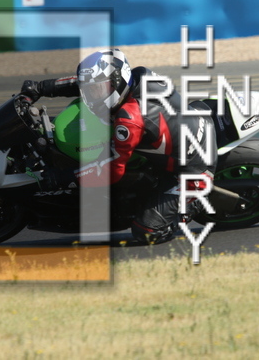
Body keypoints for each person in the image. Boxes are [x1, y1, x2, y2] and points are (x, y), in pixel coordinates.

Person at [20, 49, 217, 244]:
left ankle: (192, 204)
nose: (93, 96)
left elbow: (112, 170)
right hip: (189, 126)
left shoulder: (129, 119)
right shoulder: (137, 75)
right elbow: (82, 83)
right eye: (92, 90)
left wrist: (67, 177)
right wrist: (40, 88)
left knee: (147, 232)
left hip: (192, 168)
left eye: (99, 90)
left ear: (118, 82)